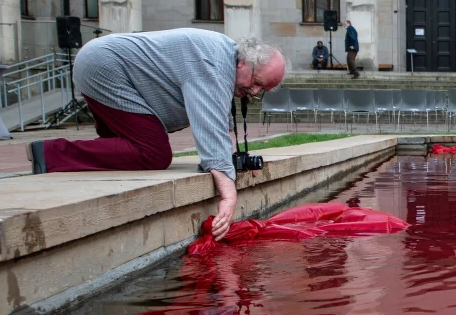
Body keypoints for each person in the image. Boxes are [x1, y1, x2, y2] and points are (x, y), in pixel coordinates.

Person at [25, 28, 286, 240]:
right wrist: (229, 196)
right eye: (256, 83)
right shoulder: (213, 62)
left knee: (125, 149)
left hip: (103, 62)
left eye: (261, 90)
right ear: (243, 62)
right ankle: (50, 153)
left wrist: (235, 161)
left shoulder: (224, 59)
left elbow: (222, 121)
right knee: (152, 153)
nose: (253, 92)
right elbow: (210, 129)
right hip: (105, 68)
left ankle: (55, 155)